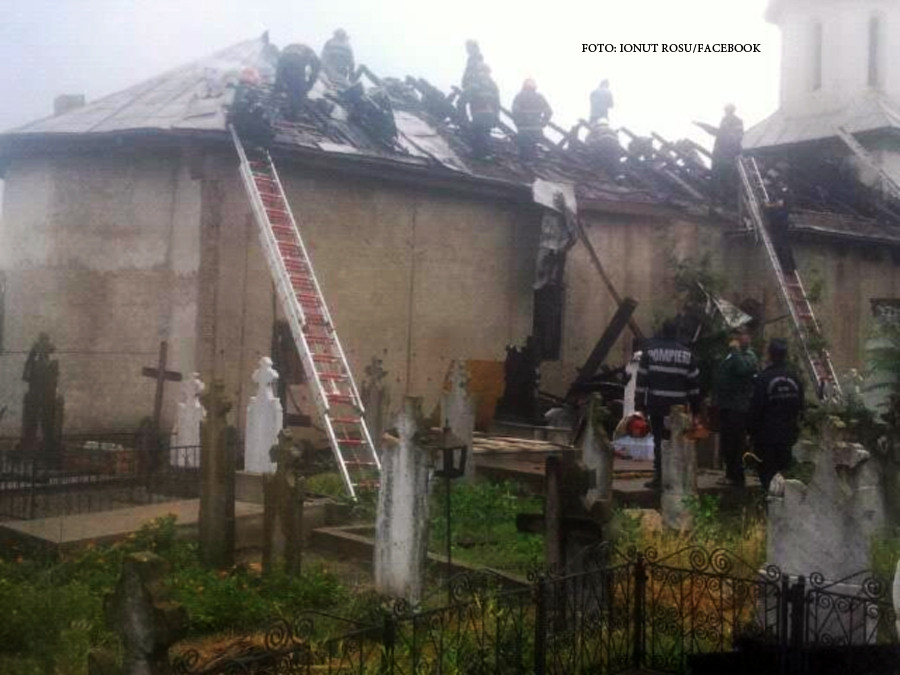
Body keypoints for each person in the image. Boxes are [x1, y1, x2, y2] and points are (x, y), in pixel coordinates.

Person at [635, 319, 702, 489]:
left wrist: (640, 407)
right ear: (676, 333)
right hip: (678, 409)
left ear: (662, 332)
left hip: (657, 405)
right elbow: (694, 387)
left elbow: (641, 383)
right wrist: (696, 411)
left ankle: (659, 477)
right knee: (676, 441)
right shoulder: (687, 355)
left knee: (659, 441)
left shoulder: (649, 353)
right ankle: (676, 477)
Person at [747, 339, 804, 492]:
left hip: (767, 435)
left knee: (768, 474)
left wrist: (750, 431)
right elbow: (800, 406)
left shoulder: (763, 379)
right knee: (784, 472)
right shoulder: (794, 379)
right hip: (788, 434)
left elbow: (756, 408)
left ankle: (771, 501)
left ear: (770, 355)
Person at [713, 327, 758, 487]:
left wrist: (736, 351)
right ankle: (730, 473)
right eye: (736, 335)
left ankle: (737, 476)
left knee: (736, 442)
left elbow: (742, 369)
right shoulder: (731, 355)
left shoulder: (749, 356)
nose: (737, 338)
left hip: (738, 406)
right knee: (727, 442)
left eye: (741, 335)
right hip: (727, 404)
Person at [457, 63, 500, 159]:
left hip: (480, 114)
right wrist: (496, 117)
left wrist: (463, 117)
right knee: (484, 134)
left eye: (484, 72)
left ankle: (480, 154)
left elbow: (461, 101)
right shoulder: (493, 86)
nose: (483, 74)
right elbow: (497, 104)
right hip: (486, 115)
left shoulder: (476, 83)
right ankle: (485, 154)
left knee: (479, 134)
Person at [274, 44, 321, 121]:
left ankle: (293, 110)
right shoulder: (311, 55)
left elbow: (279, 70)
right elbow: (315, 72)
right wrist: (309, 84)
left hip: (288, 63)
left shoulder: (289, 49)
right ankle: (295, 112)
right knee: (297, 89)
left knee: (294, 87)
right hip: (293, 66)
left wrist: (279, 83)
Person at [711, 103, 744, 205]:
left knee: (727, 177)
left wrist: (729, 135)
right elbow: (719, 135)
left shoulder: (737, 121)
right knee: (717, 176)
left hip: (729, 153)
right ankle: (716, 199)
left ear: (732, 110)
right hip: (719, 152)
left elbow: (738, 136)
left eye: (728, 110)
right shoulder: (724, 120)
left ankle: (725, 200)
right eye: (726, 110)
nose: (726, 112)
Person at [511, 79, 552, 160]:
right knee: (535, 148)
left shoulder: (520, 96)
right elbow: (549, 111)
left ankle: (525, 164)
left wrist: (518, 123)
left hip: (524, 128)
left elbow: (515, 111)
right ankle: (533, 163)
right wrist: (543, 123)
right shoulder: (539, 97)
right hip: (536, 128)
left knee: (524, 150)